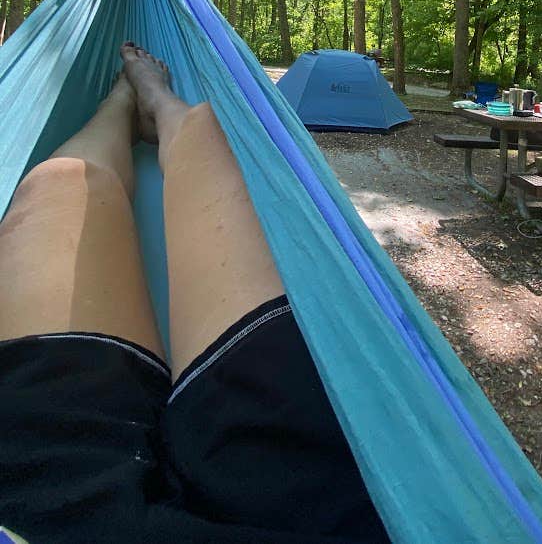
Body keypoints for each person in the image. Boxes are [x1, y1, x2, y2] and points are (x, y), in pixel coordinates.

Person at [0, 44, 390, 544]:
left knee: (61, 181)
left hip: (33, 479)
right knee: (208, 133)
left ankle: (119, 106)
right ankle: (160, 108)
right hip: (303, 487)